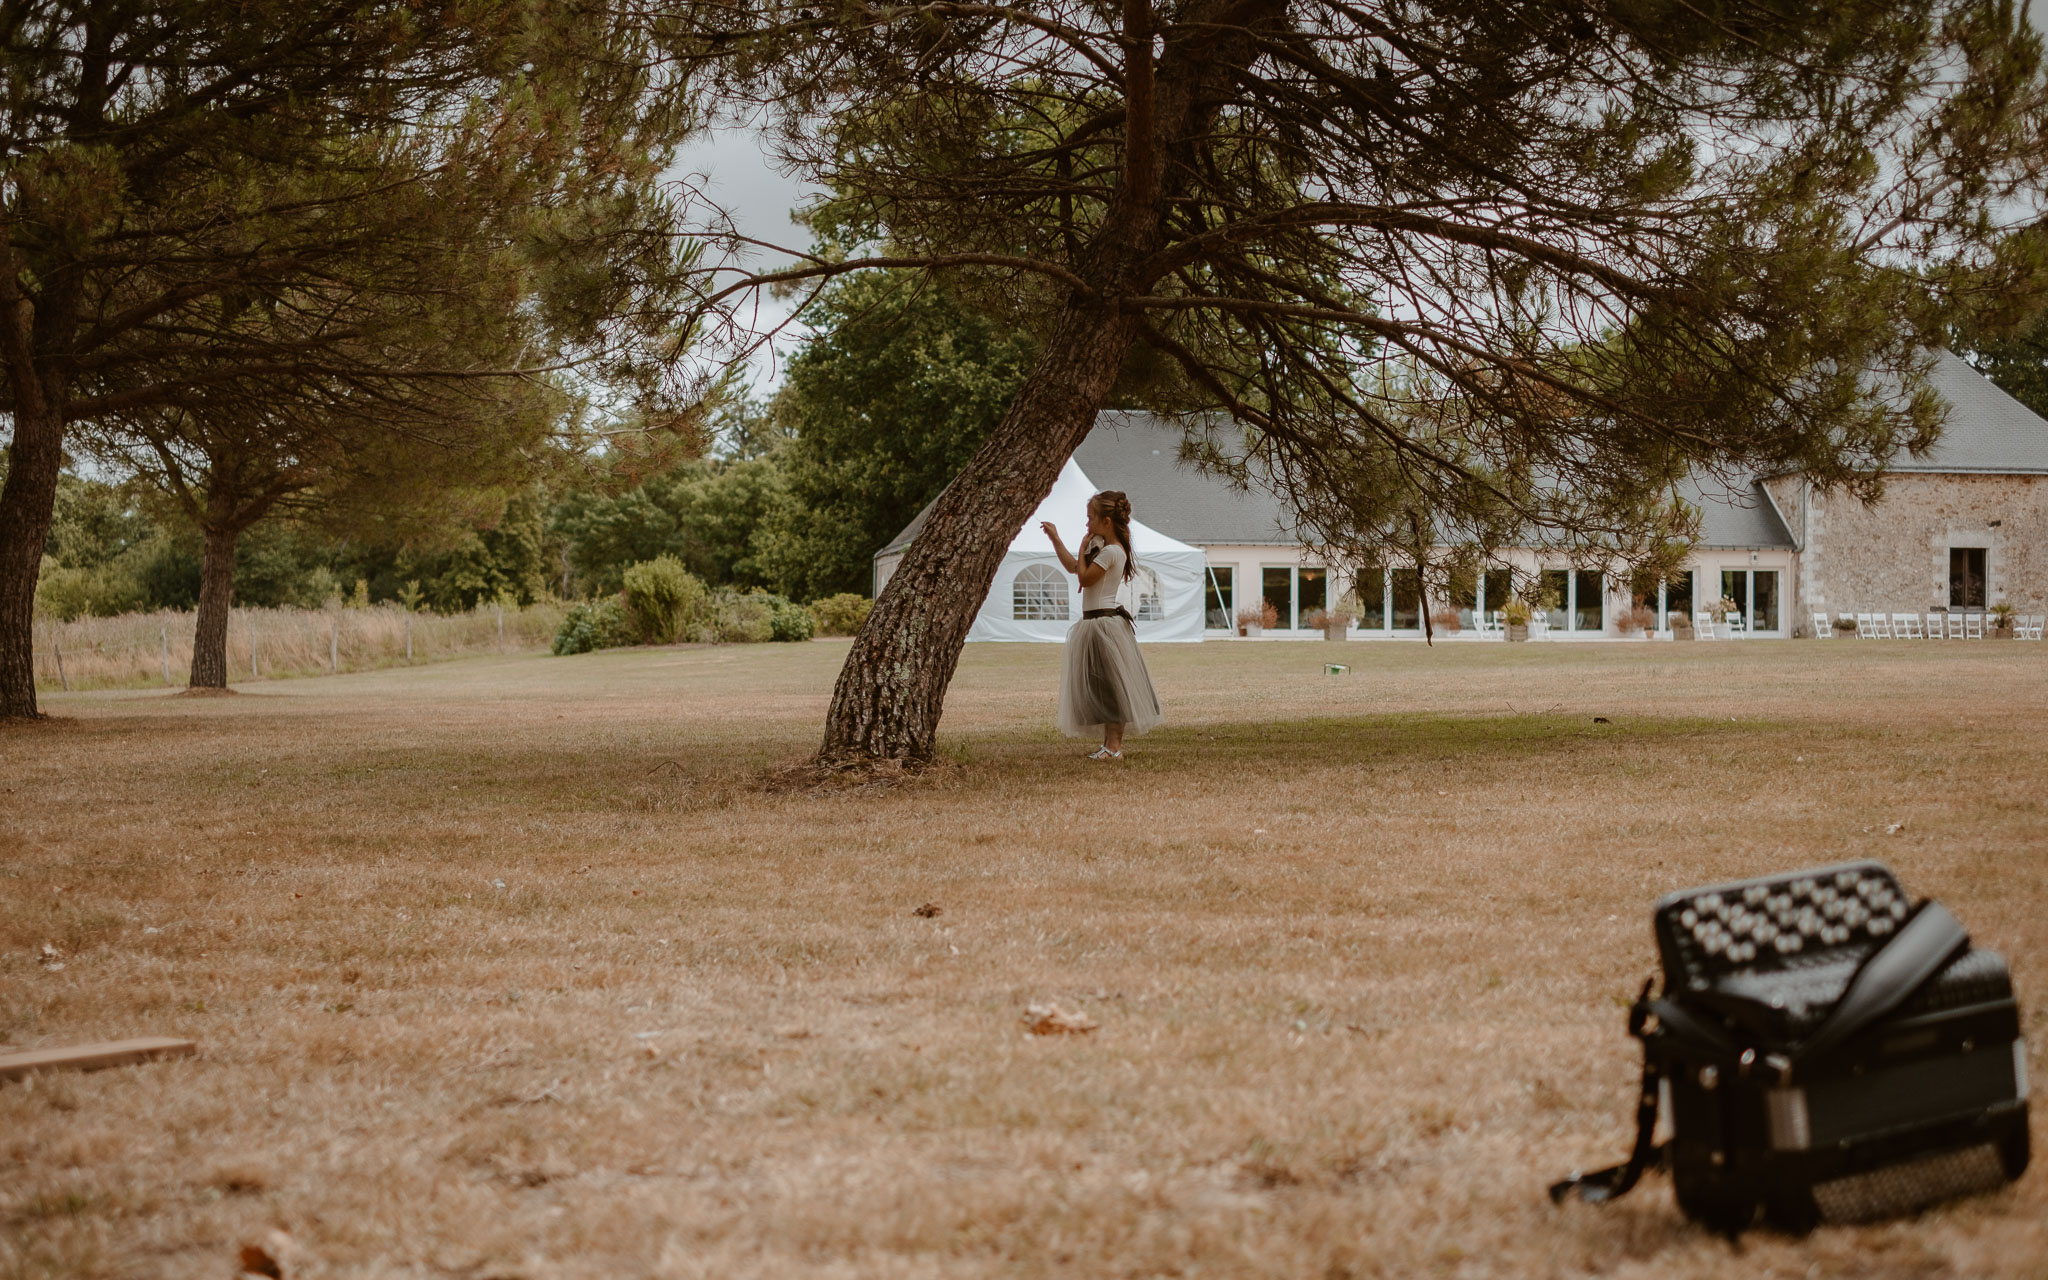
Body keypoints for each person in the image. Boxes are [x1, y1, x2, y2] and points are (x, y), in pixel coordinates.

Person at [1040, 490, 1163, 759]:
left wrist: (1084, 547)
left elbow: (1084, 579)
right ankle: (1109, 744)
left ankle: (1114, 747)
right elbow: (1075, 566)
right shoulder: (1102, 549)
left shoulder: (1112, 552)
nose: (1087, 524)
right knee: (1103, 686)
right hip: (1093, 623)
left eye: (1090, 518)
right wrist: (1056, 539)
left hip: (1105, 625)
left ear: (1106, 521)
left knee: (1112, 687)